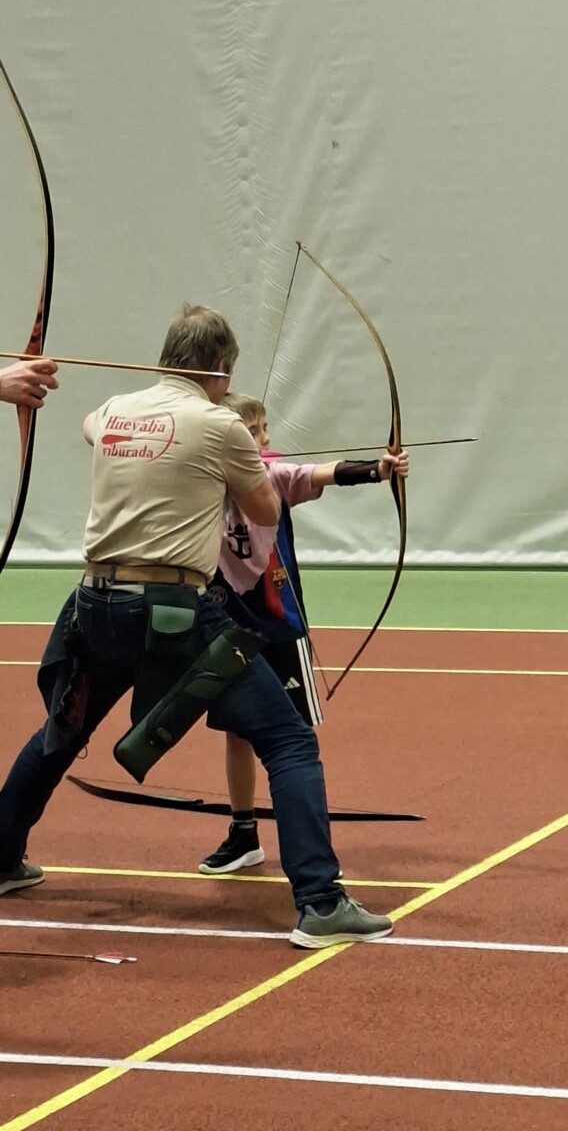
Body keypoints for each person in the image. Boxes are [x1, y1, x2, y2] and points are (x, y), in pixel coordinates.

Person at [0, 304, 393, 949]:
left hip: (94, 605)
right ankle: (321, 901)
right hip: (172, 611)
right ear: (221, 369)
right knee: (289, 741)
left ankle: (0, 857)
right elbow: (264, 508)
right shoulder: (219, 423)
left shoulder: (115, 410)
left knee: (61, 734)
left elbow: (90, 424)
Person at [197, 392, 410, 875]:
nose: (266, 438)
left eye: (264, 428)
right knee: (236, 734)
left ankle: (311, 846)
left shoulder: (270, 475)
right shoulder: (201, 484)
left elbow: (316, 473)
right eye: (254, 431)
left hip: (281, 628)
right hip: (229, 630)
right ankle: (243, 833)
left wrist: (378, 469)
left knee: (295, 741)